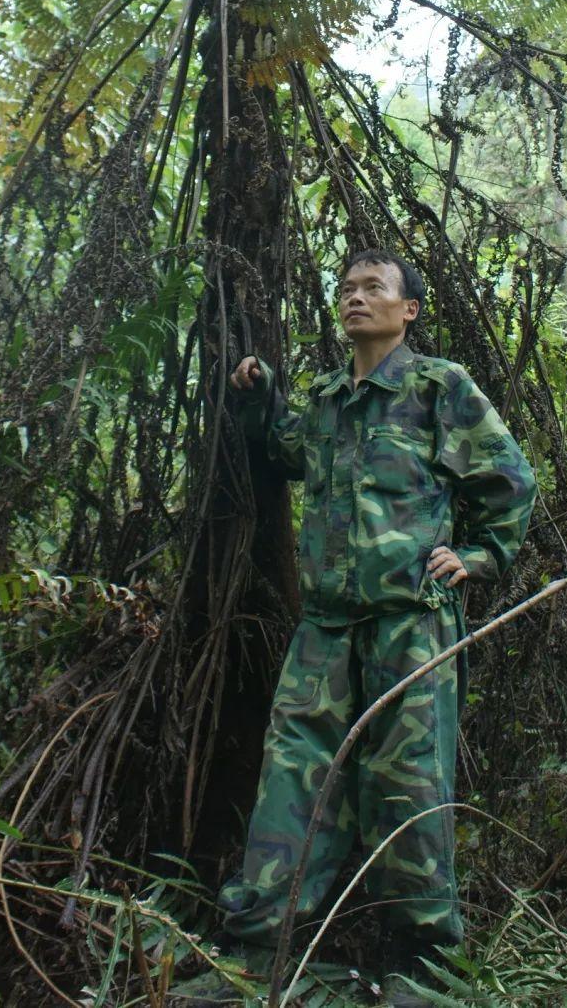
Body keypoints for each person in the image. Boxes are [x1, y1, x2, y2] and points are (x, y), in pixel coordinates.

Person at [215, 249, 537, 1006]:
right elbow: (286, 453)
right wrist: (261, 402)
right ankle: (258, 957)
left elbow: (509, 479)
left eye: (374, 289)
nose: (356, 299)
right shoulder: (327, 397)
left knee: (411, 792)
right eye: (347, 289)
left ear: (409, 308)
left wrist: (481, 555)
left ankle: (424, 973)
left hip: (409, 627)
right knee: (293, 784)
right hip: (324, 631)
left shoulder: (436, 387)